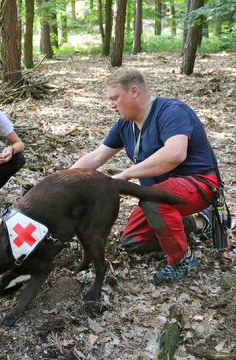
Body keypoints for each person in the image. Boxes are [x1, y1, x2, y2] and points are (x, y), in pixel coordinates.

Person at [71, 67, 220, 283]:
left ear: (133, 91)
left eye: (115, 98)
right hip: (159, 193)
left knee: (153, 201)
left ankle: (182, 260)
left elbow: (175, 153)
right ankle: (200, 223)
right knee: (132, 241)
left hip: (199, 183)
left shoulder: (171, 111)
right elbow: (96, 157)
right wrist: (62, 180)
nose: (111, 104)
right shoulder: (125, 124)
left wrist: (125, 175)